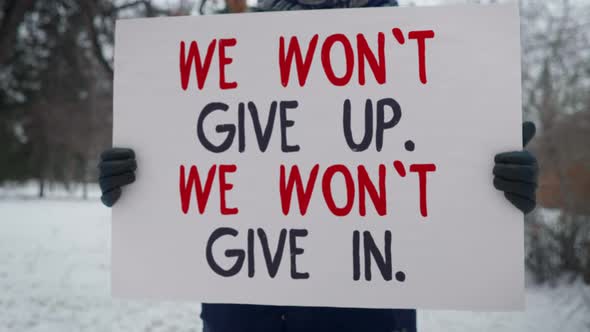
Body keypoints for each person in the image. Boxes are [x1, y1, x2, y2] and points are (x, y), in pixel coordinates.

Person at [98, 1, 539, 331]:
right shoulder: (227, 46)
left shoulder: (418, 49)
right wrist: (134, 182)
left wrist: (496, 188)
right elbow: (195, 170)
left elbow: (431, 185)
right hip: (242, 315)